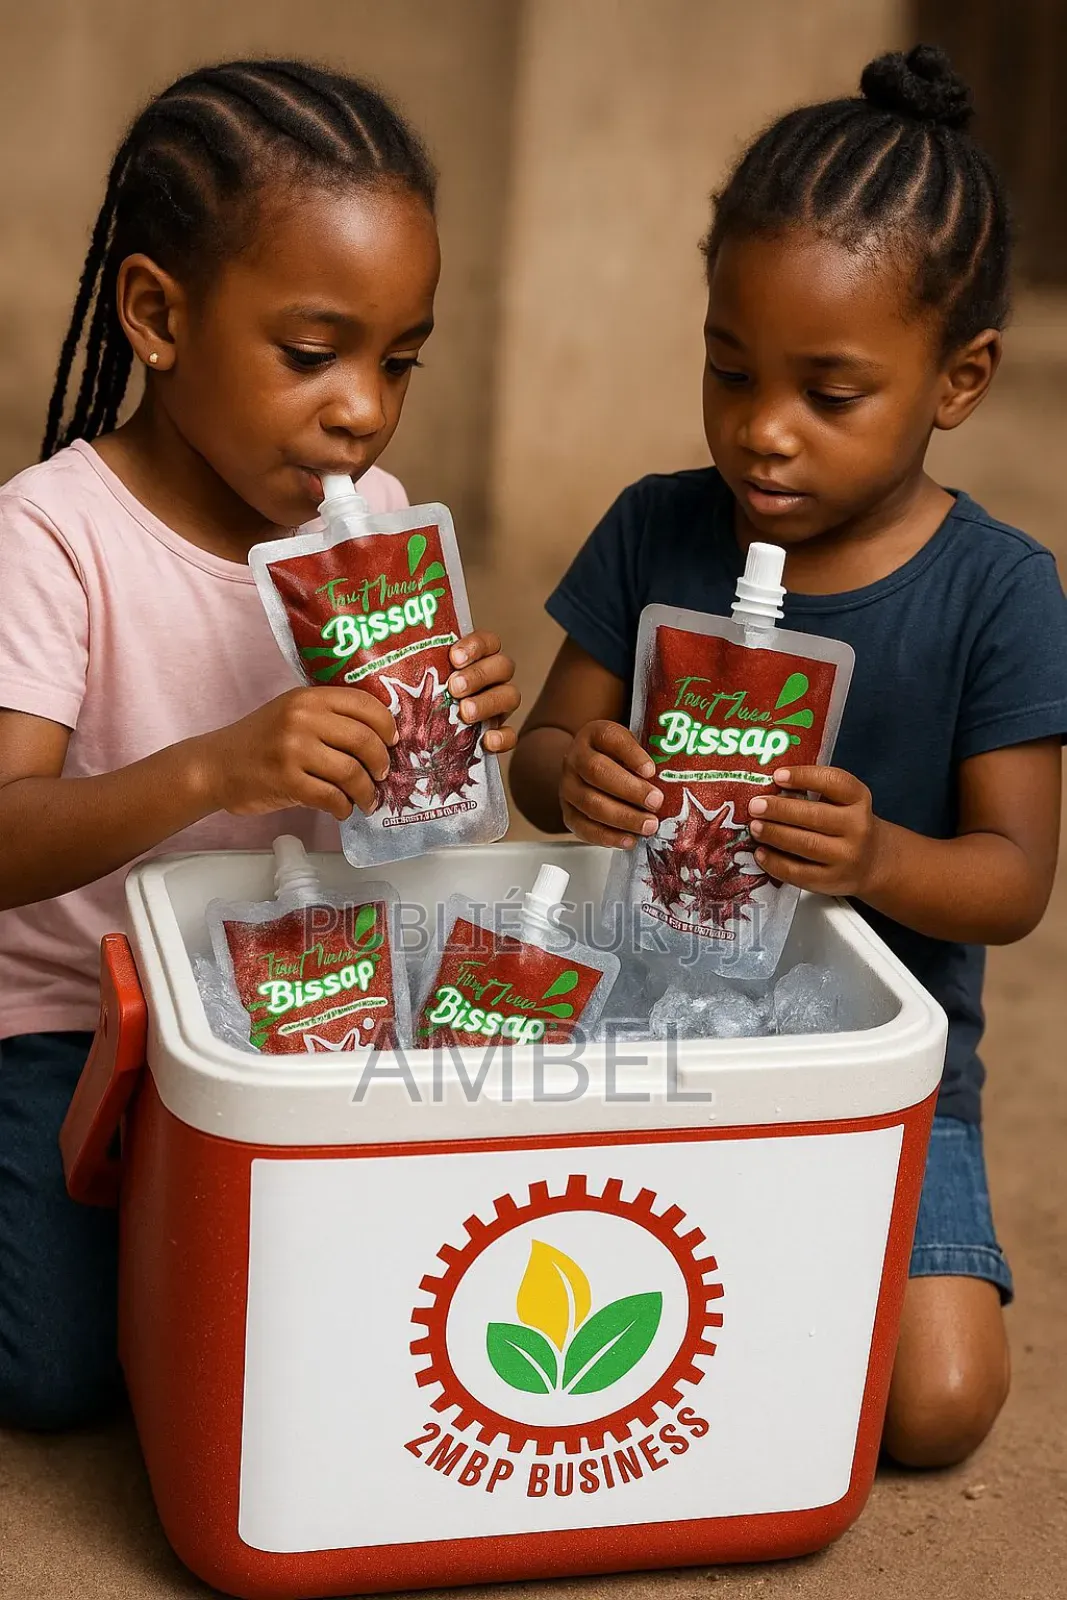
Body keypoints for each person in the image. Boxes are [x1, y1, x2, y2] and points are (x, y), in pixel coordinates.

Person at [511, 45, 1067, 1469]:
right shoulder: (657, 527)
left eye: (831, 394)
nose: (762, 430)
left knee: (938, 1405)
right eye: (729, 370)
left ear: (958, 380)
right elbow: (540, 756)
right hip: (643, 1023)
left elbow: (1013, 881)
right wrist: (581, 775)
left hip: (883, 1072)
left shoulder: (998, 592)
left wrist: (877, 858)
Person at [0, 60, 519, 1430]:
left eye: (399, 360)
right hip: (81, 1020)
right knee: (57, 1374)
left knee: (385, 1290)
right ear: (157, 315)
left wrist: (452, 737)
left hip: (304, 993)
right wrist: (216, 768)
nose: (363, 410)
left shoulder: (372, 517)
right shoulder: (56, 536)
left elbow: (406, 828)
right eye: (311, 354)